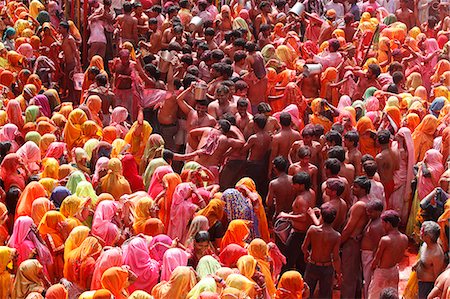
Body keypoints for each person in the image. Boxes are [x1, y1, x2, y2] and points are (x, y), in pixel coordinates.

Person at [302, 202, 341, 299]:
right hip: (327, 267)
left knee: (306, 293)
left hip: (312, 264)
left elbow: (304, 247)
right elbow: (336, 257)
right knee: (325, 295)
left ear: (321, 217)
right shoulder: (336, 236)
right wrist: (338, 273)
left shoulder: (312, 230)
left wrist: (306, 254)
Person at [340, 176, 371, 299]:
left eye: (356, 187)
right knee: (355, 275)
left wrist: (339, 244)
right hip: (357, 242)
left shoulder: (359, 205)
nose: (352, 188)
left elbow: (348, 229)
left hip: (351, 243)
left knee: (348, 276)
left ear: (363, 189)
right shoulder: (368, 202)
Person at [368, 210, 408, 299]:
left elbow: (376, 259)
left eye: (383, 224)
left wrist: (372, 268)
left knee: (374, 296)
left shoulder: (385, 240)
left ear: (388, 224)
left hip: (382, 273)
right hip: (394, 271)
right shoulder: (404, 238)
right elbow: (400, 258)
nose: (382, 226)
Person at [412, 221, 445, 299]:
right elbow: (424, 257)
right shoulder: (425, 244)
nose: (420, 233)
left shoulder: (437, 254)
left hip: (428, 287)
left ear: (428, 237)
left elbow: (437, 276)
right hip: (421, 284)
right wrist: (417, 264)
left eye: (423, 232)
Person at [361, 200, 385, 299]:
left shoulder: (376, 225)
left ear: (379, 212)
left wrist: (375, 262)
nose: (368, 214)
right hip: (367, 255)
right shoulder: (373, 221)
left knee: (368, 280)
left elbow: (377, 246)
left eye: (371, 212)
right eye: (367, 211)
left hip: (370, 255)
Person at [376, 130, 399, 206]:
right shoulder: (396, 152)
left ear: (378, 142)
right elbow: (397, 167)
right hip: (391, 182)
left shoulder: (380, 157)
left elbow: (378, 173)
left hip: (383, 184)